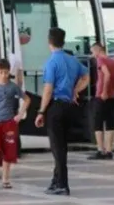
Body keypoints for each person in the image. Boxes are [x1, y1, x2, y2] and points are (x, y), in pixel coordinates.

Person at [34, 27, 90, 196]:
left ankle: (62, 184)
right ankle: (56, 180)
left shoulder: (51, 62)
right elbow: (87, 77)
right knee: (62, 145)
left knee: (57, 148)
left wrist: (41, 111)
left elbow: (48, 89)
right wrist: (76, 90)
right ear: (63, 41)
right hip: (69, 107)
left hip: (56, 107)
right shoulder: (72, 60)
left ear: (49, 41)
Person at [0, 58, 30, 190]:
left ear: (9, 72)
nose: (4, 75)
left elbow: (27, 99)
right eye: (1, 72)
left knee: (8, 151)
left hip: (9, 123)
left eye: (6, 72)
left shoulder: (13, 87)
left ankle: (5, 179)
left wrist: (20, 114)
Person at [88, 43, 114, 160]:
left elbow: (107, 74)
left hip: (101, 96)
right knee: (110, 122)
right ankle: (109, 151)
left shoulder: (100, 60)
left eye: (93, 52)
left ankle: (100, 150)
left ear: (98, 50)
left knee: (98, 123)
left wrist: (104, 91)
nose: (92, 55)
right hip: (112, 97)